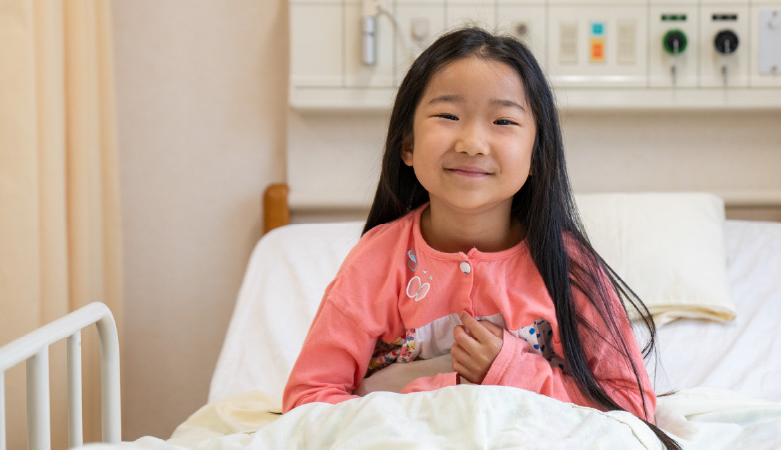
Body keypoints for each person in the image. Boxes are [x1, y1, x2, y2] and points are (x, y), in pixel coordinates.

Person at [282, 27, 678, 449]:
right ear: (408, 145)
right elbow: (308, 403)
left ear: (535, 157)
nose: (472, 142)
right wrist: (438, 393)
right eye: (448, 116)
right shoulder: (376, 261)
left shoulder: (568, 266)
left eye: (503, 121)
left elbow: (630, 407)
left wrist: (511, 369)